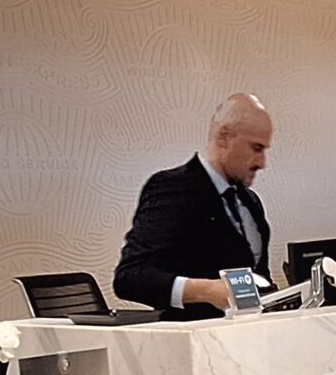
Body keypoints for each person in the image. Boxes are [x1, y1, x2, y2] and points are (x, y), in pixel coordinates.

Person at [112, 94, 275, 320]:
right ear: (224, 138)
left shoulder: (251, 202)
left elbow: (259, 277)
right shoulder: (173, 187)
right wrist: (205, 291)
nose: (262, 163)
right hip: (194, 341)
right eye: (256, 148)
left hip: (252, 338)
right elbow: (130, 278)